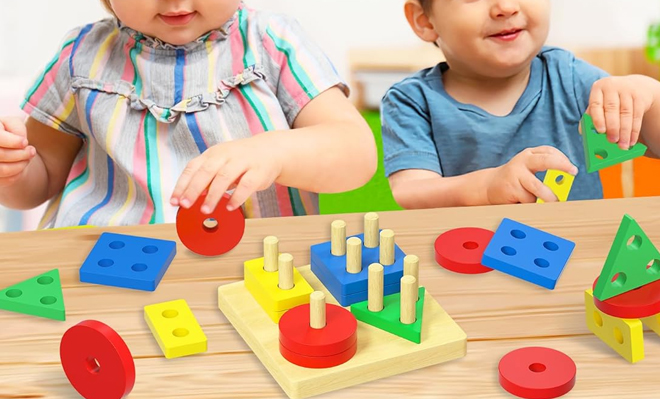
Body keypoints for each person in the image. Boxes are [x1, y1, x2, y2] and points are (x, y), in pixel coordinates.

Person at [0, 0, 377, 228]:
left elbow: (356, 153)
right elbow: (42, 179)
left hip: (256, 264)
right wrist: (13, 170)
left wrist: (273, 152)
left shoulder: (271, 43)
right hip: (105, 263)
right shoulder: (82, 55)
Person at [382, 0, 660, 208]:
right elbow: (411, 191)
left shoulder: (570, 77)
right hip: (468, 264)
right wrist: (487, 188)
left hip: (576, 258)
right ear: (425, 21)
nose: (505, 7)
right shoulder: (411, 102)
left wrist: (647, 92)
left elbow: (654, 142)